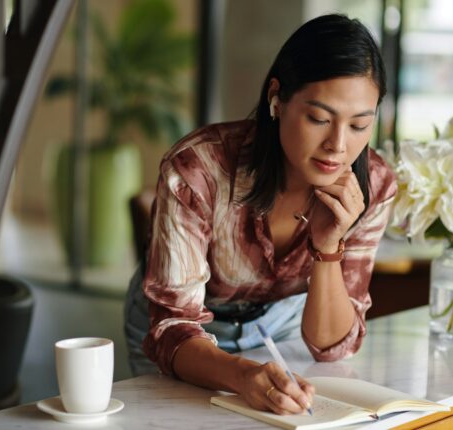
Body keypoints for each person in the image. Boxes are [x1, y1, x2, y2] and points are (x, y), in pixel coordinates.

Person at [124, 13, 397, 415]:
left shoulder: (374, 183)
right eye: (319, 119)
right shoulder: (200, 169)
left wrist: (328, 245)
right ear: (276, 98)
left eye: (359, 125)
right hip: (184, 333)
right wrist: (242, 375)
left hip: (282, 326)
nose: (338, 145)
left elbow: (332, 346)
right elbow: (171, 330)